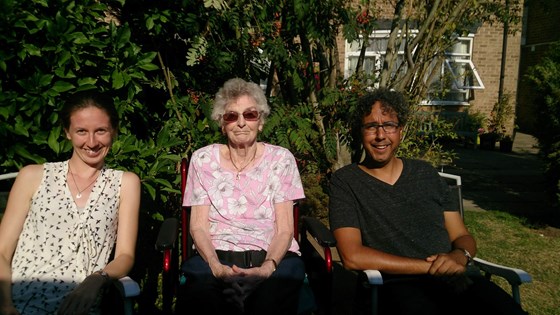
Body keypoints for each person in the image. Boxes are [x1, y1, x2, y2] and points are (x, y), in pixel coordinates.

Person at [328, 88, 528, 315]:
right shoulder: (346, 182)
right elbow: (352, 256)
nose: (381, 135)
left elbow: (462, 236)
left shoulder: (427, 174)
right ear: (360, 132)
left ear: (400, 130)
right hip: (397, 287)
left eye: (389, 125)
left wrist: (458, 256)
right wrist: (434, 268)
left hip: (460, 280)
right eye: (371, 126)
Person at [0, 90, 140, 315]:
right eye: (81, 131)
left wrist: (97, 279)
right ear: (67, 132)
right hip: (19, 302)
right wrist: (5, 305)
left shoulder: (125, 183)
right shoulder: (32, 176)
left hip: (79, 305)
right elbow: (2, 250)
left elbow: (125, 255)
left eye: (101, 131)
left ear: (114, 131)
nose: (92, 142)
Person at [180, 78, 306, 315]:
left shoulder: (281, 160)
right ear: (221, 124)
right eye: (231, 116)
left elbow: (284, 230)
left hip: (271, 256)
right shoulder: (203, 159)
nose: (240, 123)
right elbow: (198, 227)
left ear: (261, 122)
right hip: (214, 256)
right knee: (206, 294)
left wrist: (266, 270)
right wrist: (216, 268)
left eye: (249, 114)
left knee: (271, 296)